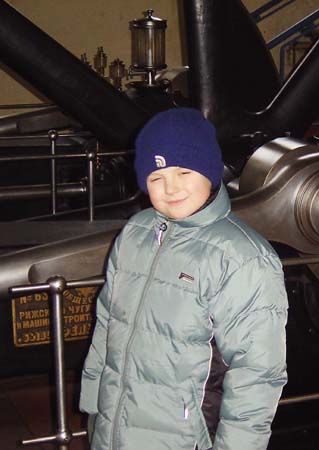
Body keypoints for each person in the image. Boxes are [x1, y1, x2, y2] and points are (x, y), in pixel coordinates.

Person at [79, 108, 288, 450]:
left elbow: (257, 371)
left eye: (184, 172)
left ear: (209, 172)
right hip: (115, 428)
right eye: (156, 177)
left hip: (185, 438)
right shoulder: (135, 233)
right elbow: (107, 323)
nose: (171, 188)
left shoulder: (241, 258)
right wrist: (94, 404)